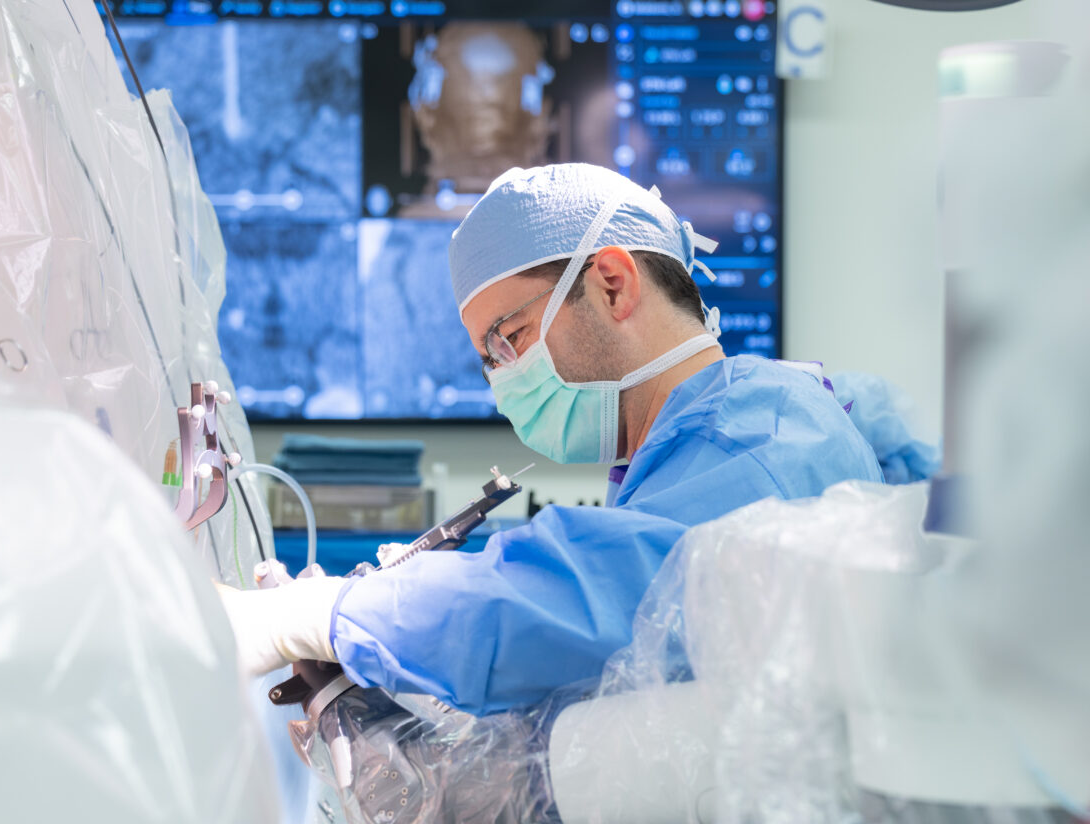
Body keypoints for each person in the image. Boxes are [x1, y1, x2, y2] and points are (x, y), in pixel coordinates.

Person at [220, 164, 883, 715]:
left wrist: (326, 614)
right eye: (488, 361)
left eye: (507, 339)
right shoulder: (690, 447)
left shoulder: (761, 440)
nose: (502, 381)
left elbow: (592, 600)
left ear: (613, 286)